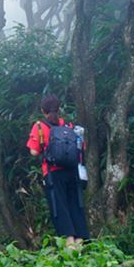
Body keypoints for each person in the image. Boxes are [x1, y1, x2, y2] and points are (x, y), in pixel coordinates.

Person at [27, 94, 89, 245]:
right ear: (59, 108)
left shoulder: (40, 126)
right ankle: (80, 244)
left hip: (53, 173)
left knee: (59, 207)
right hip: (73, 172)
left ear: (43, 110)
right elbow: (82, 147)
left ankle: (69, 246)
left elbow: (34, 152)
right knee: (76, 206)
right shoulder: (69, 126)